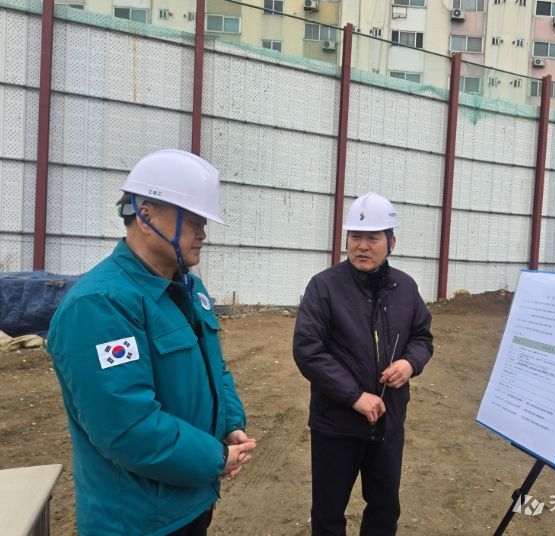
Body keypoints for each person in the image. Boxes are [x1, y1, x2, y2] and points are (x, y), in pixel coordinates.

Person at [47, 149, 256, 536]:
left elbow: (215, 370)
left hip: (190, 499)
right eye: (192, 219)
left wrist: (230, 424)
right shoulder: (101, 305)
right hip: (138, 520)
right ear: (145, 215)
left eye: (203, 221)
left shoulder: (189, 289)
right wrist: (215, 458)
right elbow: (128, 428)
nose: (203, 232)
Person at [293, 192, 434, 535]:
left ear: (391, 242)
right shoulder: (324, 287)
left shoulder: (405, 288)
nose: (362, 246)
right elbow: (308, 349)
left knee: (384, 510)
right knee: (328, 514)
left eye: (373, 238)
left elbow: (422, 337)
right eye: (355, 237)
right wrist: (355, 395)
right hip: (336, 425)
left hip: (389, 423)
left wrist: (409, 364)